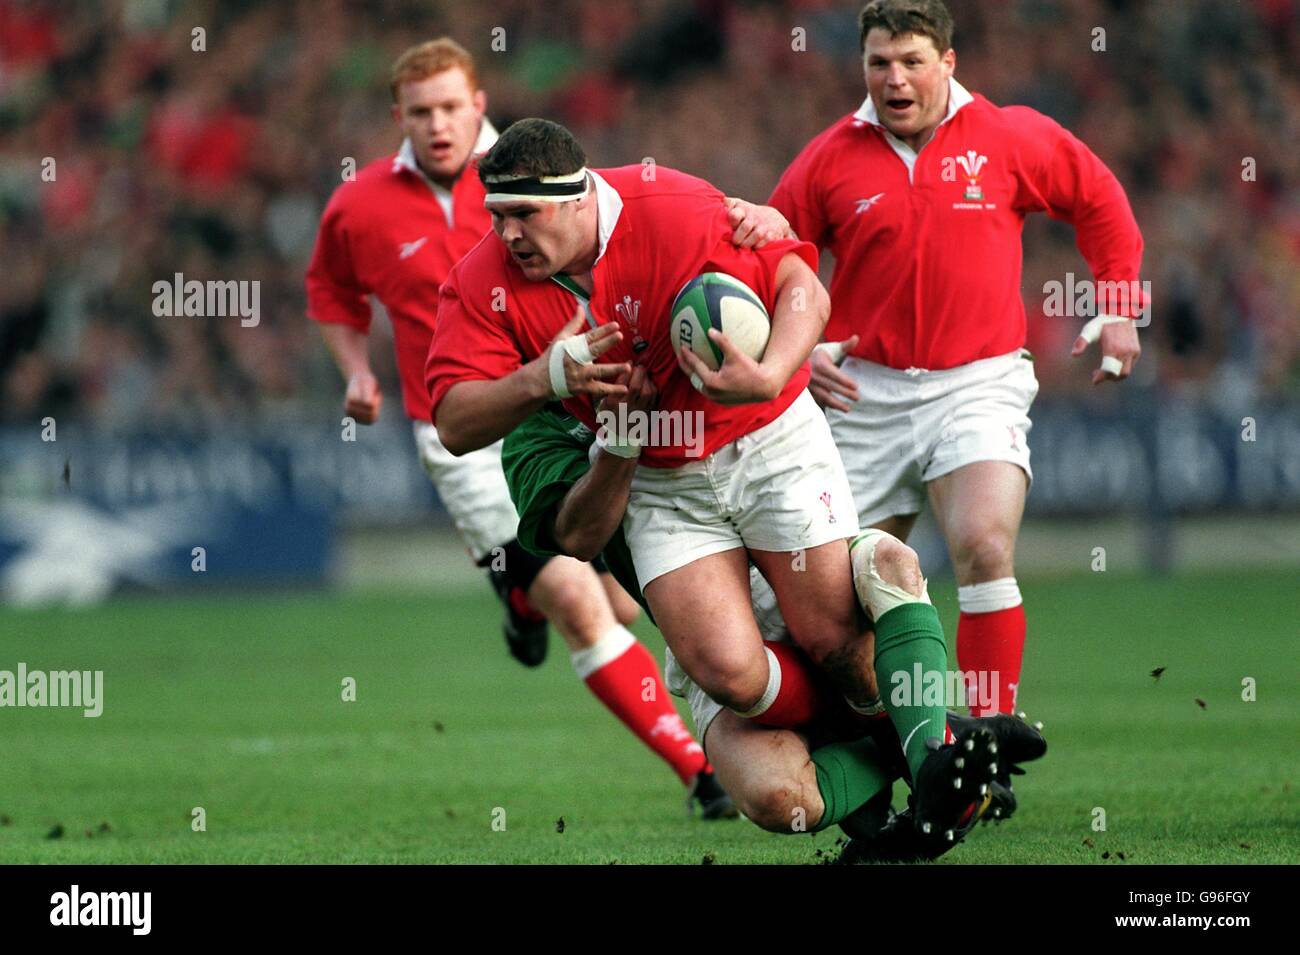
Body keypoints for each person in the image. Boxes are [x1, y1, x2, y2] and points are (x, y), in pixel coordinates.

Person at [427, 117, 1009, 838]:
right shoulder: (483, 285)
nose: (508, 235)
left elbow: (801, 284)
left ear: (580, 199)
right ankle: (931, 745)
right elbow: (453, 421)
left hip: (765, 440)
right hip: (661, 484)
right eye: (498, 215)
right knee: (729, 677)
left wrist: (767, 373)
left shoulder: (673, 210)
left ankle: (929, 767)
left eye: (526, 214)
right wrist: (548, 377)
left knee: (836, 636)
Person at [306, 39, 729, 817]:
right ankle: (703, 773)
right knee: (580, 599)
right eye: (421, 111)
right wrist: (355, 371)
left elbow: (636, 229)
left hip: (575, 413)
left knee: (624, 603)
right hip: (460, 431)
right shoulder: (357, 205)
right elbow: (333, 294)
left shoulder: (533, 176)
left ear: (478, 104)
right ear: (398, 116)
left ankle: (520, 599)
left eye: (451, 107)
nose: (438, 124)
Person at [768, 0, 1144, 815]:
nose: (894, 79)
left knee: (980, 543)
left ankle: (985, 751)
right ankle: (896, 748)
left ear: (947, 60)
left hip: (977, 379)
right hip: (862, 394)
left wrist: (1117, 305)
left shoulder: (1007, 136)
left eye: (909, 60)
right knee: (833, 606)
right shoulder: (829, 159)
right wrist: (800, 354)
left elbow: (1099, 198)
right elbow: (773, 262)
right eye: (878, 63)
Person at [498, 375, 1048, 858]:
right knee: (777, 799)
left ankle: (928, 767)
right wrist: (619, 438)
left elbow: (768, 290)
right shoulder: (531, 430)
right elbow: (578, 535)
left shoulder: (663, 332)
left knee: (891, 564)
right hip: (705, 629)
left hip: (796, 566)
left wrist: (792, 347)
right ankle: (938, 742)